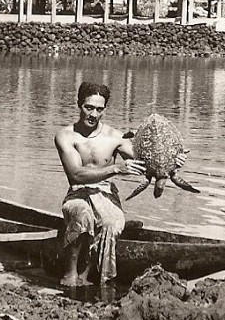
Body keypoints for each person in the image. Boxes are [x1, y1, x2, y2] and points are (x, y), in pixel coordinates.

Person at [55, 81, 183, 288]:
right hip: (77, 193)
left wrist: (171, 164)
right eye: (89, 107)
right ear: (79, 104)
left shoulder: (116, 137)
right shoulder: (66, 136)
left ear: (105, 109)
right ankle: (70, 274)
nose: (93, 115)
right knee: (82, 214)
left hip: (106, 194)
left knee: (111, 224)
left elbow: (149, 165)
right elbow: (76, 175)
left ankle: (88, 274)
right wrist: (115, 169)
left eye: (99, 109)